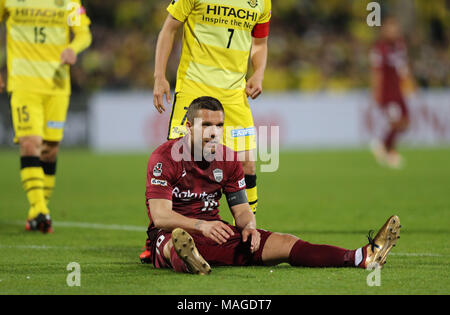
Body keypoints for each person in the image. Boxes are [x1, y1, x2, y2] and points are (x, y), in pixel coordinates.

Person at [141, 96, 401, 274]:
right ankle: (187, 258)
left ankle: (361, 257)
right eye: (206, 125)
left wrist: (250, 228)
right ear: (188, 127)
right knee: (171, 243)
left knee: (286, 242)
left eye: (219, 125)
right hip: (176, 230)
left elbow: (241, 210)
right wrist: (200, 225)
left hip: (217, 232)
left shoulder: (229, 158)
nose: (213, 132)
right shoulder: (165, 157)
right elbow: (161, 216)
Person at [152, 0, 272, 217]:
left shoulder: (262, 2)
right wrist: (159, 75)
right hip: (194, 87)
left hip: (235, 94)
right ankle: (158, 236)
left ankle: (248, 234)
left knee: (247, 164)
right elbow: (169, 29)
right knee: (179, 160)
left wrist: (258, 73)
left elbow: (260, 43)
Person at [0, 0, 92, 233]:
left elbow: (84, 34)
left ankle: (39, 213)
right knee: (30, 143)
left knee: (50, 150)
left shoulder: (68, 2)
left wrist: (73, 48)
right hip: (23, 83)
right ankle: (40, 210)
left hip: (56, 85)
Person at [370, 17, 415, 169]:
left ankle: (382, 145)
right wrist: (376, 92)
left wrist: (409, 82)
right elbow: (377, 72)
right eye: (390, 29)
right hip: (387, 92)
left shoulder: (400, 45)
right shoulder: (379, 48)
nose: (394, 32)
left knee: (406, 122)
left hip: (398, 91)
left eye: (395, 29)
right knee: (395, 122)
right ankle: (390, 152)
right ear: (384, 30)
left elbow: (404, 67)